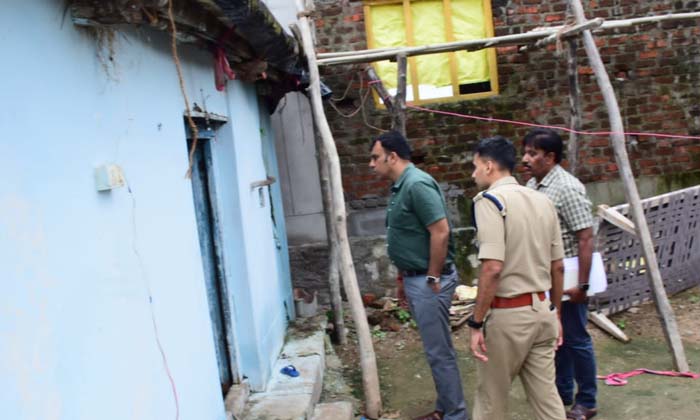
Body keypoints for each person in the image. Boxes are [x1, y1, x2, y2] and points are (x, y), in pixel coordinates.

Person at [369, 130, 468, 420]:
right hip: (416, 277)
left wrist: (433, 277)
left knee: (439, 352)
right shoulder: (402, 186)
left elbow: (440, 231)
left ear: (393, 156)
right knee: (435, 349)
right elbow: (409, 236)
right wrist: (403, 279)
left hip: (429, 281)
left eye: (376, 157)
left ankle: (455, 415)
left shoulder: (417, 184)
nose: (371, 164)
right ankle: (446, 408)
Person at [468, 136, 566, 420]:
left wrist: (476, 322)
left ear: (489, 166)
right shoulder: (543, 201)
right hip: (543, 312)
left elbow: (492, 268)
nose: (473, 174)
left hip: (509, 317)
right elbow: (557, 266)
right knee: (548, 402)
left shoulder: (490, 201)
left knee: (491, 402)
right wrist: (556, 313)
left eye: (475, 167)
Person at [522, 128, 598, 420]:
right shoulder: (533, 184)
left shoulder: (567, 187)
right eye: (525, 152)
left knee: (576, 337)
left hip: (568, 277)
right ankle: (563, 392)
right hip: (545, 275)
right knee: (557, 336)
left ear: (550, 157)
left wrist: (583, 284)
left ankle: (588, 400)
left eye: (532, 153)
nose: (526, 158)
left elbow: (586, 237)